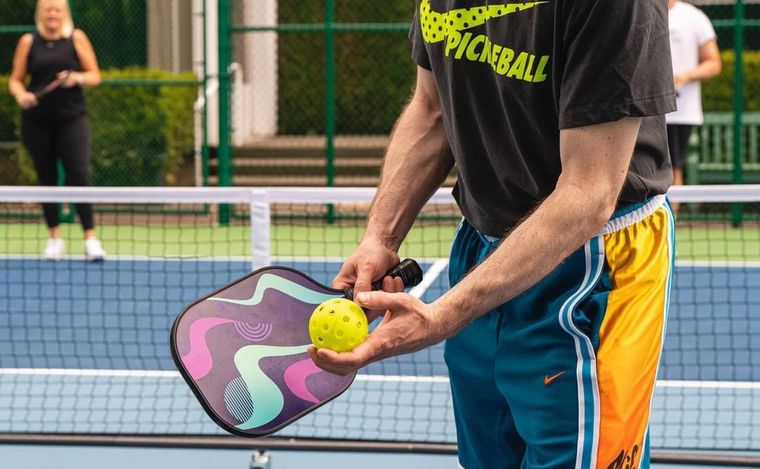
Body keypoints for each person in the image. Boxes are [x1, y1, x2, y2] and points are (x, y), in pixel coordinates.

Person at [310, 1, 677, 468]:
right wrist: (379, 237)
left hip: (595, 261)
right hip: (481, 243)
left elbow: (589, 192)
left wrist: (441, 317)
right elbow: (432, 109)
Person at [9, 0, 105, 261]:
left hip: (72, 118)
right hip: (36, 122)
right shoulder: (28, 41)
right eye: (48, 10)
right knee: (46, 177)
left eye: (57, 10)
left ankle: (90, 239)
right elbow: (15, 79)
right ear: (41, 14)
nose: (53, 14)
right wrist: (21, 95)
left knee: (79, 172)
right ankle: (54, 238)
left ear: (64, 13)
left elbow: (95, 74)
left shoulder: (76, 38)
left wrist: (77, 78)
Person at [667, 0, 722, 210]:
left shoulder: (695, 18)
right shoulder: (637, 13)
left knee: (672, 169)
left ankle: (669, 227)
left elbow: (714, 62)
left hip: (680, 113)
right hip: (642, 112)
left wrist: (686, 76)